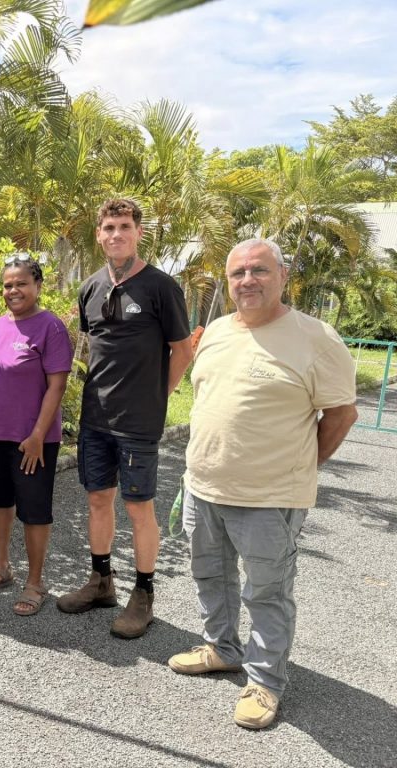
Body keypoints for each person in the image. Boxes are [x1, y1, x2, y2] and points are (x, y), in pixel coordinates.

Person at [168, 238, 357, 729]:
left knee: (267, 591)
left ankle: (266, 681)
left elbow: (340, 414)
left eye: (259, 270)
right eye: (238, 273)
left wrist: (299, 467)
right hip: (203, 485)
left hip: (271, 497)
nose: (247, 280)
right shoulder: (214, 332)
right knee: (211, 576)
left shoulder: (315, 337)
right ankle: (221, 648)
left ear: (282, 276)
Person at [56, 198, 192, 638]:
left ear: (138, 233)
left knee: (138, 508)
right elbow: (89, 346)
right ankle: (101, 582)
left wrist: (158, 395)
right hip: (96, 418)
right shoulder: (91, 287)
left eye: (125, 226)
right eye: (109, 227)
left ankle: (144, 594)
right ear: (99, 235)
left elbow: (183, 350)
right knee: (97, 500)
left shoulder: (161, 287)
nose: (116, 234)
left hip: (138, 423)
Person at [0, 257, 72, 616]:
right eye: (8, 285)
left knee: (34, 511)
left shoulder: (50, 327)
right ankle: (1, 568)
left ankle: (35, 581)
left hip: (32, 439)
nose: (13, 291)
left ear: (38, 286)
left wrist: (39, 434)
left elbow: (57, 385)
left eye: (21, 283)